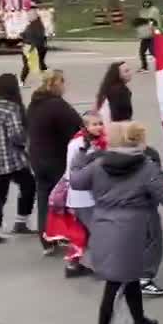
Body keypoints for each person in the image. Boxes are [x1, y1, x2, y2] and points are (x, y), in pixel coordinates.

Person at [69, 122, 163, 324]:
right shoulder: (146, 168)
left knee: (129, 276)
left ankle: (140, 323)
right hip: (131, 231)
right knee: (115, 286)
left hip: (103, 226)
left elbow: (76, 181)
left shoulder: (99, 163)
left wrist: (82, 156)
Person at [25, 69, 83, 255]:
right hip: (56, 159)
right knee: (64, 198)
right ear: (56, 83)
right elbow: (76, 127)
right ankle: (65, 234)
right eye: (63, 81)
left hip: (37, 158)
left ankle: (46, 238)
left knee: (44, 198)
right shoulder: (57, 105)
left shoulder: (35, 104)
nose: (65, 85)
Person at [0, 73, 36, 246]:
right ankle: (21, 221)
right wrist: (27, 140)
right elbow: (16, 135)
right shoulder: (12, 107)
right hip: (10, 159)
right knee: (29, 184)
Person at [62, 111, 105, 277]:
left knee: (80, 233)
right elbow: (70, 171)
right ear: (85, 126)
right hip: (84, 197)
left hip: (86, 196)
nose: (99, 127)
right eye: (94, 124)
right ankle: (100, 267)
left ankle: (73, 265)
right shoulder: (78, 144)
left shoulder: (97, 142)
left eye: (100, 123)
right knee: (98, 232)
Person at [20, 9, 48, 84]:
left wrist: (22, 37)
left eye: (29, 16)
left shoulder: (31, 27)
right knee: (41, 64)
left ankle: (22, 81)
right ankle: (46, 80)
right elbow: (42, 37)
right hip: (41, 47)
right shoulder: (40, 25)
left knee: (27, 65)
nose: (28, 17)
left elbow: (26, 36)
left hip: (30, 47)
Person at [134, 0, 161, 72]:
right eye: (144, 3)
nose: (145, 4)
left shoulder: (153, 10)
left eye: (147, 3)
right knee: (142, 51)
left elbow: (153, 21)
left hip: (152, 35)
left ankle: (162, 64)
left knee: (153, 51)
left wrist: (155, 31)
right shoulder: (143, 11)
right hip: (145, 35)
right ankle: (144, 67)